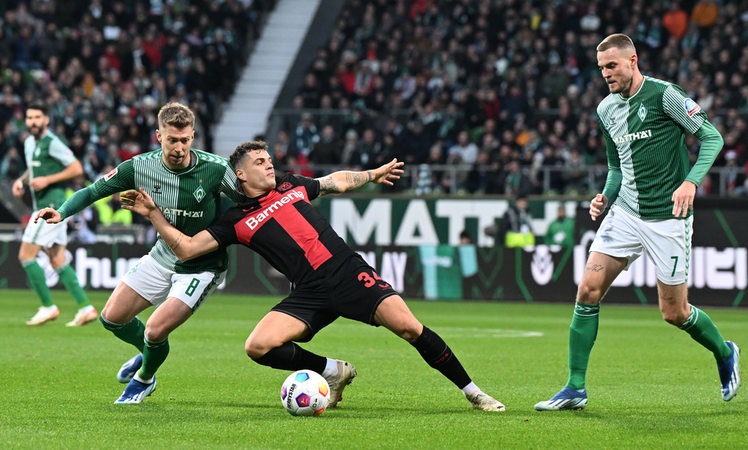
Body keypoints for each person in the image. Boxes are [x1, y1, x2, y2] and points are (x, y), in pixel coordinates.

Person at [120, 140, 505, 412]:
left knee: (410, 329)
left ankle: (473, 392)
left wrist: (371, 174)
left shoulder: (291, 184)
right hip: (309, 291)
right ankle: (333, 371)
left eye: (269, 159)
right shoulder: (234, 221)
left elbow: (334, 181)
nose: (269, 164)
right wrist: (154, 214)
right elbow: (186, 249)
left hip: (347, 272)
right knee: (258, 346)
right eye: (260, 162)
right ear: (240, 173)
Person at [534, 34, 740, 411]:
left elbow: (711, 137)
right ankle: (574, 387)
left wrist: (690, 182)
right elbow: (616, 166)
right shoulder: (606, 109)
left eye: (612, 66)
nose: (606, 74)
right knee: (587, 290)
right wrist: (605, 197)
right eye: (601, 69)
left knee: (674, 313)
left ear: (633, 60)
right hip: (625, 214)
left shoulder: (665, 95)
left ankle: (724, 351)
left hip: (669, 218)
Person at [35, 102, 245, 404]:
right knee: (112, 318)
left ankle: (144, 378)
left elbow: (252, 198)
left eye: (185, 140)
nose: (179, 147)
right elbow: (94, 190)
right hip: (163, 256)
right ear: (158, 136)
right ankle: (148, 355)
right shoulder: (140, 167)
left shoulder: (215, 168)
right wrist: (62, 211)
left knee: (156, 330)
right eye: (172, 140)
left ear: (193, 136)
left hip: (203, 265)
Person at [11, 103, 96, 327]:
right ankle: (86, 308)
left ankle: (48, 306)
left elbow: (77, 168)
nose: (33, 122)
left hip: (51, 207)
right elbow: (33, 168)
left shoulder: (52, 142)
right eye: (29, 118)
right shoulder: (30, 142)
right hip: (44, 206)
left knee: (26, 256)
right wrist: (22, 180)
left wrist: (48, 180)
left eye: (38, 117)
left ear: (46, 119)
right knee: (57, 259)